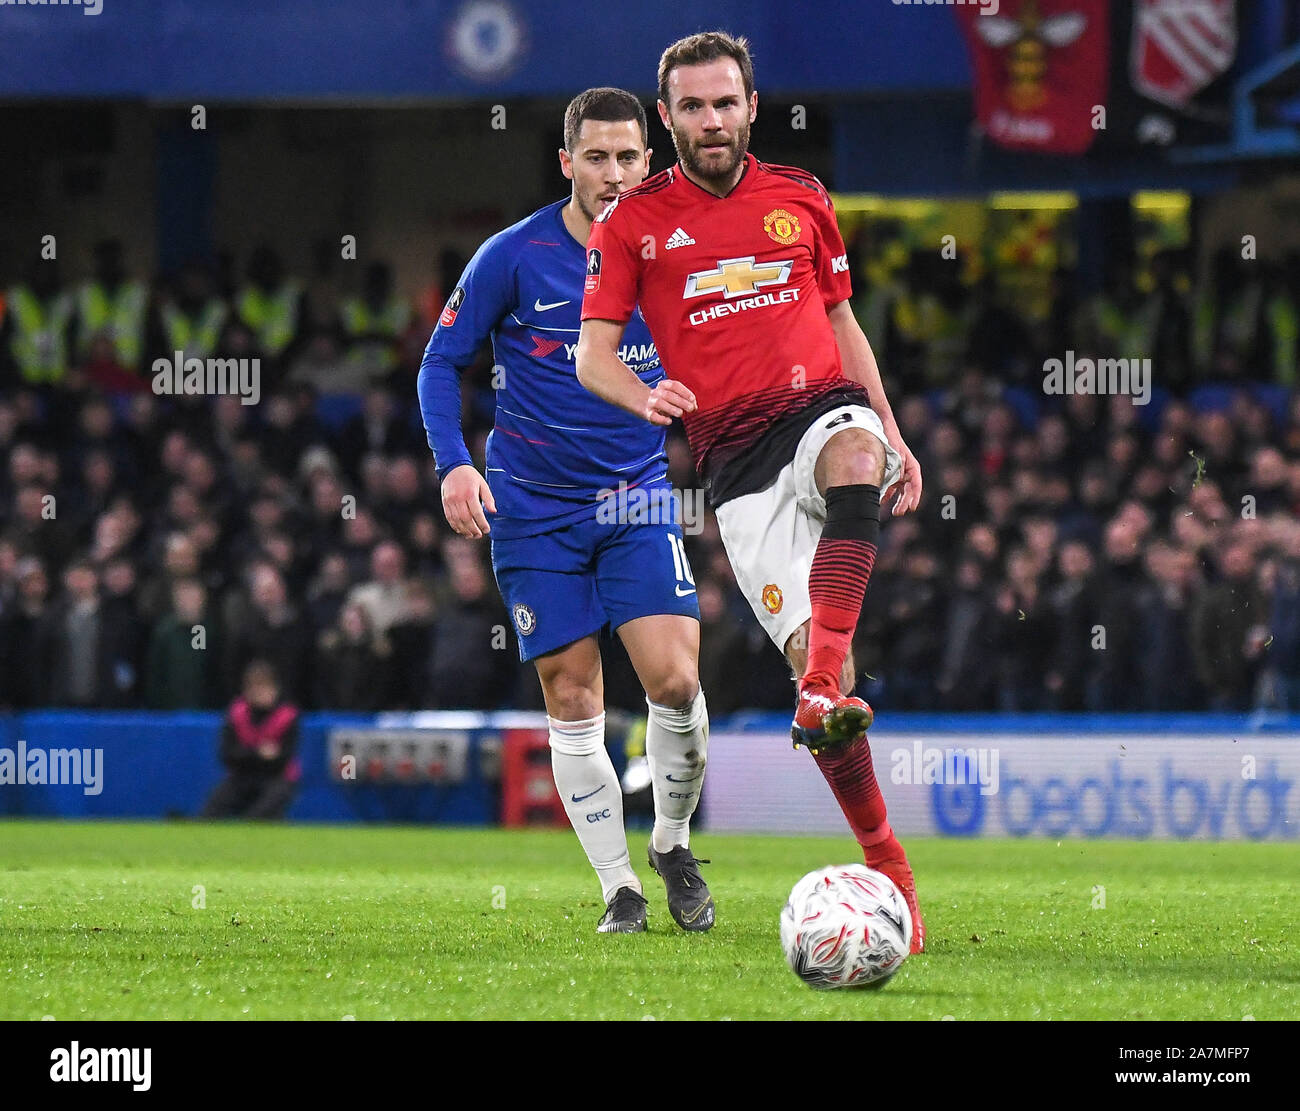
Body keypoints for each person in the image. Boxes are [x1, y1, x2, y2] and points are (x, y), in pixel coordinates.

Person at [576, 32, 925, 950]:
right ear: (669, 118)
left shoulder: (803, 198)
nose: (712, 120)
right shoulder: (633, 224)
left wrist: (888, 425)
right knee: (834, 668)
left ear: (752, 107)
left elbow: (844, 321)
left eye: (725, 102)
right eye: (692, 107)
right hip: (737, 470)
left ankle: (891, 873)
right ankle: (836, 727)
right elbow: (592, 354)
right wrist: (643, 392)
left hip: (821, 414)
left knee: (854, 455)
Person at [418, 87, 711, 935]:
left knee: (678, 679)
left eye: (628, 157)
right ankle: (619, 887)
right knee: (573, 693)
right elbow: (441, 364)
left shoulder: (674, 256)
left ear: (649, 162)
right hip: (533, 509)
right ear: (567, 163)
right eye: (596, 157)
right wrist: (455, 467)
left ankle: (670, 842)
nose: (613, 174)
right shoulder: (513, 255)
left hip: (636, 497)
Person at [201, 659, 300, 819]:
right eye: (255, 688)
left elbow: (285, 757)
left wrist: (249, 755)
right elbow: (227, 754)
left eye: (265, 687)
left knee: (267, 805)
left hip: (277, 778)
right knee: (214, 805)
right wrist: (259, 753)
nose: (261, 693)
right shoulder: (236, 713)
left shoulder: (287, 716)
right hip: (242, 776)